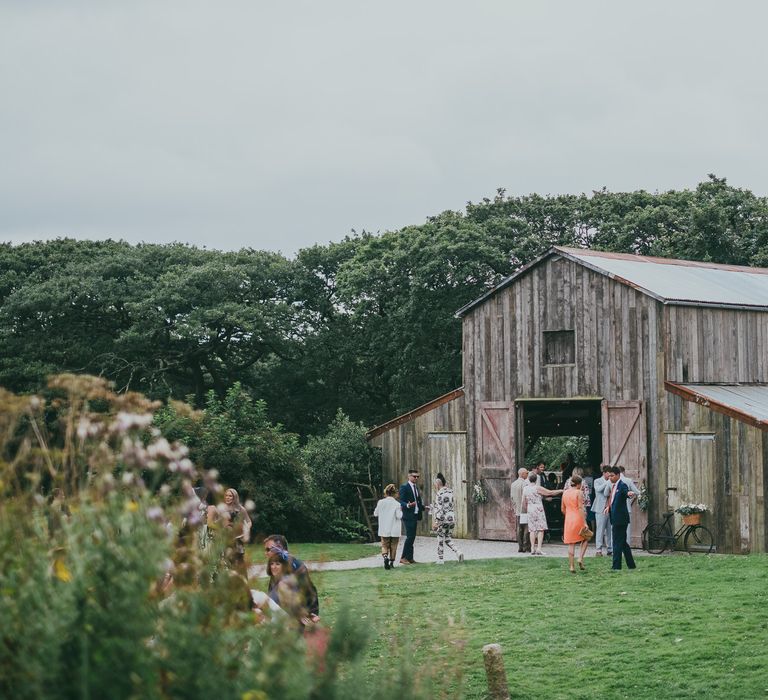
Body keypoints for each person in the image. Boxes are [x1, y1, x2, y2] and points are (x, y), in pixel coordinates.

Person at [264, 534, 320, 624]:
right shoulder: (276, 565)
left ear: (280, 549)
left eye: (268, 550)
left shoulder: (295, 565)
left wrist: (311, 613)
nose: (265, 553)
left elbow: (309, 589)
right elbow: (272, 591)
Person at [522, 472, 563, 555]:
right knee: (541, 528)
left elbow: (523, 501)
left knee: (532, 529)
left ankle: (532, 548)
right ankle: (539, 548)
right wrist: (561, 490)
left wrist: (527, 509)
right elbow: (550, 492)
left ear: (529, 479)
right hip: (538, 508)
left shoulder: (525, 489)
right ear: (536, 479)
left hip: (530, 508)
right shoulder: (537, 488)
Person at [605, 467, 636, 570]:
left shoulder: (622, 485)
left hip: (620, 519)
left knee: (617, 542)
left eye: (612, 476)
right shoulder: (613, 486)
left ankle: (616, 566)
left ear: (618, 475)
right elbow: (613, 500)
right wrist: (608, 508)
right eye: (609, 476)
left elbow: (625, 492)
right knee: (623, 543)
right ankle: (631, 565)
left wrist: (629, 494)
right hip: (615, 517)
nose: (610, 478)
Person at [430, 472, 464, 564]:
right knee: (448, 538)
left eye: (435, 484)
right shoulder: (450, 492)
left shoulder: (439, 494)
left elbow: (440, 509)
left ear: (437, 484)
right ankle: (458, 552)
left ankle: (440, 559)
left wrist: (436, 522)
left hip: (443, 519)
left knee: (440, 539)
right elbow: (449, 506)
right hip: (451, 518)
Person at [561, 474, 590, 573]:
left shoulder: (565, 493)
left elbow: (562, 509)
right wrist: (584, 522)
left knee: (571, 543)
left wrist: (568, 515)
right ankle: (580, 558)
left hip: (568, 519)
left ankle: (571, 566)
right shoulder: (579, 492)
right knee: (586, 537)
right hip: (578, 517)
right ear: (579, 484)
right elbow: (580, 508)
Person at [221, 488, 252, 572]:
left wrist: (246, 530)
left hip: (238, 539)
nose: (227, 497)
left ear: (234, 497)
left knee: (240, 562)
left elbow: (249, 522)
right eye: (226, 495)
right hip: (225, 539)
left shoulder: (241, 509)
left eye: (230, 496)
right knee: (228, 561)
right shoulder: (222, 508)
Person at [373, 483, 402, 569]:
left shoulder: (380, 502)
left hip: (384, 528)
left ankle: (385, 557)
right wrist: (401, 511)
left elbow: (375, 513)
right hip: (394, 528)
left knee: (384, 545)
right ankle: (391, 563)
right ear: (394, 493)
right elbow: (399, 516)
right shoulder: (397, 504)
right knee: (394, 545)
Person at [398, 469, 424, 564]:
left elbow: (417, 502)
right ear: (409, 476)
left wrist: (425, 507)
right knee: (409, 537)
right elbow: (400, 501)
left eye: (418, 476)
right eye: (414, 476)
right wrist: (408, 505)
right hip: (408, 515)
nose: (416, 478)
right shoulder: (404, 487)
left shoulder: (416, 488)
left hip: (415, 515)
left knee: (412, 537)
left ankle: (410, 558)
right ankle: (403, 557)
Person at [591, 466, 613, 556]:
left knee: (609, 530)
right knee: (600, 529)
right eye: (608, 473)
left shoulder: (612, 481)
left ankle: (610, 548)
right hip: (600, 508)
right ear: (604, 473)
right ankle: (598, 549)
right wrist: (607, 482)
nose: (610, 475)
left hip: (610, 508)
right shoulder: (597, 481)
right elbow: (598, 489)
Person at [619, 466, 641, 544]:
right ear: (624, 472)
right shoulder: (627, 480)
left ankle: (615, 548)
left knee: (615, 529)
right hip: (626, 508)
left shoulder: (612, 481)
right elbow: (636, 491)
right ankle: (626, 546)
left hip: (616, 509)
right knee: (627, 529)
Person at [510, 467, 530, 552]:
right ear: (522, 474)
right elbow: (526, 497)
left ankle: (520, 546)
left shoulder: (513, 484)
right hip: (524, 508)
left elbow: (512, 497)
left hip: (517, 508)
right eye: (526, 473)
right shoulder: (525, 484)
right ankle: (526, 546)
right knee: (526, 527)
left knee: (519, 527)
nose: (527, 474)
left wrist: (514, 507)